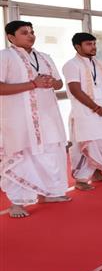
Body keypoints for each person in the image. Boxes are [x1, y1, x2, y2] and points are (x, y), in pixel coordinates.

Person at [0, 21, 70, 218]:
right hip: (18, 120)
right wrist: (32, 84)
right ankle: (17, 202)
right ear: (11, 37)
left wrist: (51, 82)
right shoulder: (4, 56)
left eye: (32, 32)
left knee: (50, 153)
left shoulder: (44, 57)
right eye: (24, 33)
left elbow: (59, 83)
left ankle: (49, 193)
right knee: (22, 158)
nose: (31, 35)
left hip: (47, 117)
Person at [62, 32, 102, 191]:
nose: (93, 47)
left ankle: (97, 173)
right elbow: (75, 89)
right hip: (84, 113)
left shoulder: (100, 63)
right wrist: (96, 108)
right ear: (77, 46)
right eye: (89, 44)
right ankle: (81, 180)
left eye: (94, 44)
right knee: (84, 145)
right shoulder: (71, 65)